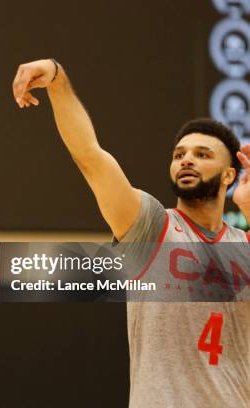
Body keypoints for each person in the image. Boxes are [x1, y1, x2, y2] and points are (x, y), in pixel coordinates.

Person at [12, 59, 249, 407]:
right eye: (179, 154)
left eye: (202, 154)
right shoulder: (152, 226)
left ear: (229, 175)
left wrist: (246, 206)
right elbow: (90, 156)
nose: (186, 160)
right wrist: (58, 80)